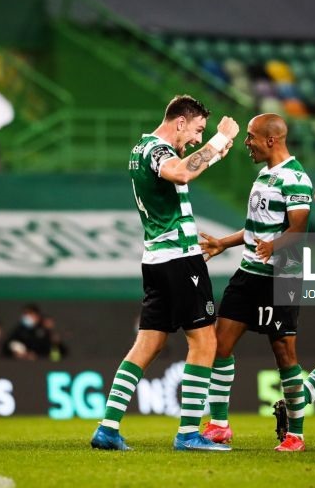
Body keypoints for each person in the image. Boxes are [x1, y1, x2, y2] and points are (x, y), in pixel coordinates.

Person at [90, 95, 240, 452]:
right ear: (179, 122)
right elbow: (180, 171)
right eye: (197, 130)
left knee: (149, 343)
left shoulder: (140, 149)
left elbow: (183, 167)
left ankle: (108, 428)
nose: (197, 139)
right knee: (205, 341)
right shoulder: (156, 150)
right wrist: (219, 141)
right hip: (179, 259)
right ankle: (189, 433)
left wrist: (215, 151)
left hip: (157, 259)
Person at [198, 113, 313, 452]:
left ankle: (297, 434)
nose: (246, 143)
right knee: (219, 344)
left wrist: (274, 246)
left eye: (250, 137)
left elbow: (299, 230)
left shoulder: (296, 179)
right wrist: (224, 242)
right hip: (249, 272)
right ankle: (219, 425)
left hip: (281, 277)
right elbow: (255, 229)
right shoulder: (263, 176)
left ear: (271, 140)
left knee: (284, 352)